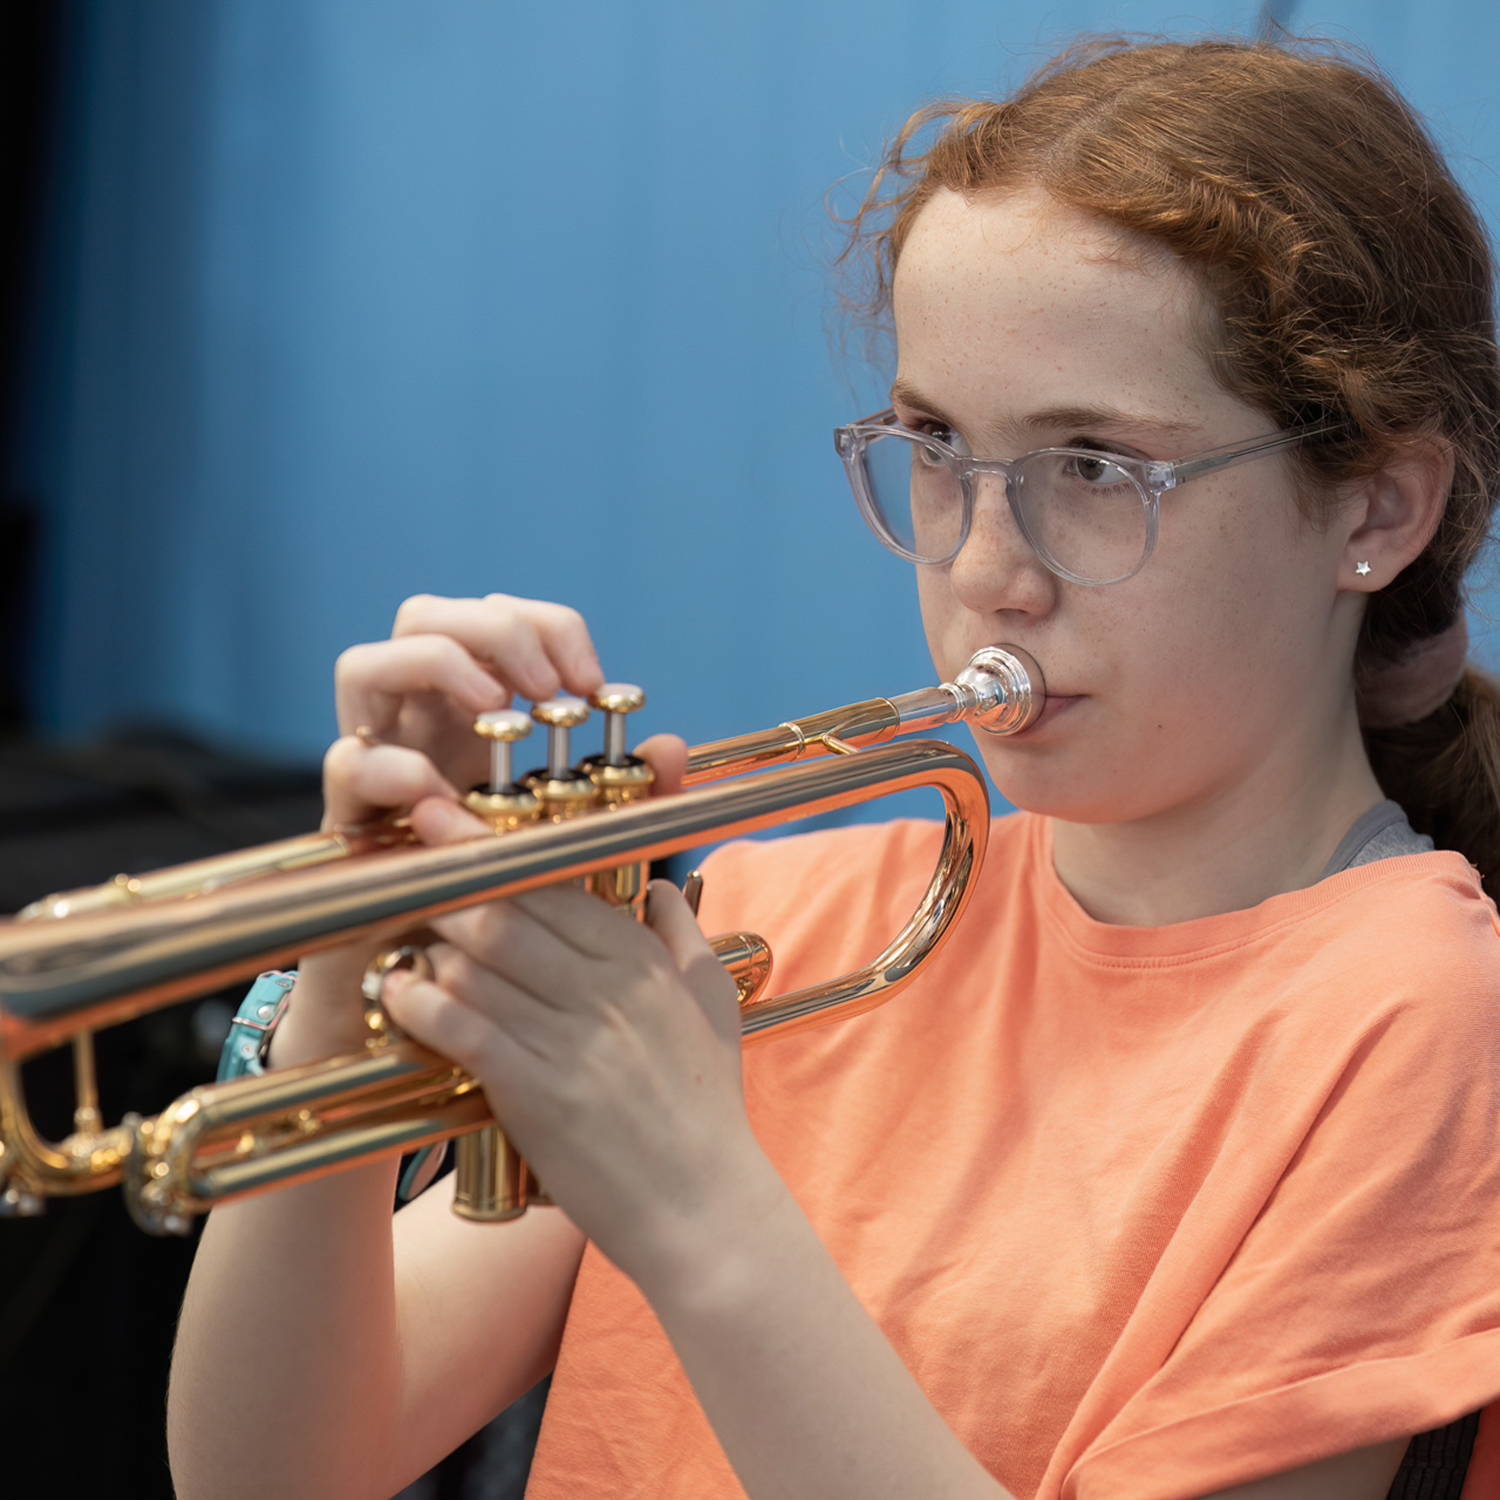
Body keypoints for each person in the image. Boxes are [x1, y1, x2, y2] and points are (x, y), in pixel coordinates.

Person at [167, 35, 1500, 1500]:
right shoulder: (776, 923)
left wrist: (692, 1198)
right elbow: (269, 1474)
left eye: (1096, 469)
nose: (990, 571)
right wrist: (350, 975)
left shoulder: (1420, 1016)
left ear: (1376, 505)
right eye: (936, 446)